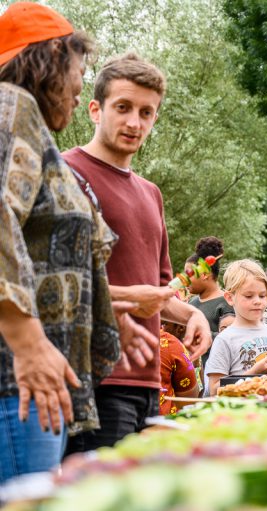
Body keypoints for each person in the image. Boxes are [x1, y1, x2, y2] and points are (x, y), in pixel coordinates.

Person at [0, 3, 154, 480]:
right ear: (50, 60)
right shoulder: (10, 106)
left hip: (37, 381)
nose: (78, 86)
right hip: (18, 380)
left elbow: (48, 247)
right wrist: (27, 342)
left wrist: (105, 316)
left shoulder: (27, 125)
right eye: (78, 71)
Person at [62, 52, 213, 452]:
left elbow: (159, 289)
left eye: (146, 112)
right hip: (94, 376)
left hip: (151, 383)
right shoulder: (65, 173)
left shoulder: (151, 194)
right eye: (123, 108)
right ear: (95, 110)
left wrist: (192, 312)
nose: (134, 122)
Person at [205, 260, 267, 396]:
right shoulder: (225, 339)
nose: (257, 301)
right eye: (249, 296)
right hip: (242, 412)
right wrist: (253, 373)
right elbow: (213, 389)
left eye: (262, 295)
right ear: (230, 298)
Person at [187, 237, 233, 340]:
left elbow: (231, 340)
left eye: (189, 274)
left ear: (204, 274)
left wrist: (197, 333)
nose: (185, 279)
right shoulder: (191, 302)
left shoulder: (227, 303)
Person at [158, 329, 198, 415]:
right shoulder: (168, 343)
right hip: (161, 424)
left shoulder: (169, 344)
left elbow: (188, 397)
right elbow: (188, 400)